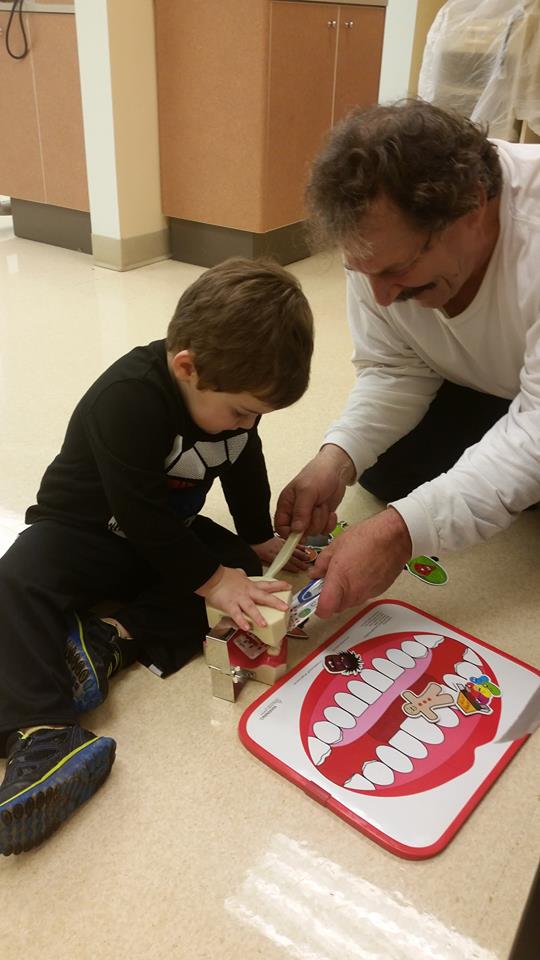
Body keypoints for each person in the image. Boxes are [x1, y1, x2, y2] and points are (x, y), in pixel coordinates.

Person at [0, 257, 314, 856]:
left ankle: (108, 637)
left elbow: (244, 463)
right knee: (13, 582)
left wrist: (251, 539)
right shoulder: (128, 397)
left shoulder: (231, 399)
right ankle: (41, 733)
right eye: (242, 411)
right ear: (187, 368)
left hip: (164, 533)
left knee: (243, 580)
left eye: (258, 415)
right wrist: (211, 577)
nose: (247, 424)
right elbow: (138, 514)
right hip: (83, 529)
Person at [276, 98, 540, 619]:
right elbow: (397, 367)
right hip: (506, 387)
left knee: (420, 509)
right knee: (385, 472)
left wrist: (400, 536)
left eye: (397, 270)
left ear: (472, 209)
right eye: (362, 273)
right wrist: (336, 457)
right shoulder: (379, 253)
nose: (379, 298)